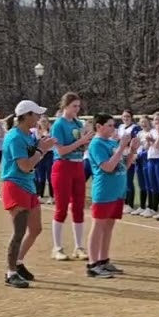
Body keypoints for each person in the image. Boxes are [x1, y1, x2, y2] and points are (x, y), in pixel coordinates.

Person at [1, 100, 57, 289]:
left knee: (35, 229)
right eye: (36, 114)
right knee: (19, 232)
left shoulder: (27, 135)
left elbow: (34, 153)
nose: (39, 118)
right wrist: (42, 149)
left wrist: (42, 145)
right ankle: (10, 273)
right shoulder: (15, 137)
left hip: (27, 186)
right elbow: (25, 165)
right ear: (26, 116)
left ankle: (18, 262)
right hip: (15, 185)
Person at [85, 114, 136, 278]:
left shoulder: (112, 143)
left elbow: (123, 166)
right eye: (109, 125)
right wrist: (122, 147)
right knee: (98, 226)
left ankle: (103, 260)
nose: (113, 128)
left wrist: (132, 151)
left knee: (109, 226)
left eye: (114, 125)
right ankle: (92, 264)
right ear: (99, 127)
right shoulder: (97, 144)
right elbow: (107, 167)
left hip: (117, 191)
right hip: (104, 191)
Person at [49, 92, 93, 261]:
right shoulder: (59, 124)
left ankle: (79, 246)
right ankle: (57, 247)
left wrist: (85, 142)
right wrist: (80, 143)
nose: (77, 109)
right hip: (62, 166)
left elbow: (79, 148)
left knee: (78, 207)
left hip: (77, 165)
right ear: (65, 106)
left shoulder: (77, 123)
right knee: (61, 208)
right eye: (74, 106)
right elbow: (60, 150)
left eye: (78, 106)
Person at [118, 109, 142, 211]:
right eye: (124, 116)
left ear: (131, 117)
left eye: (128, 116)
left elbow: (133, 142)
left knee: (128, 180)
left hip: (129, 155)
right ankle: (123, 201)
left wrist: (122, 141)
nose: (126, 118)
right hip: (120, 155)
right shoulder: (120, 127)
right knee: (121, 180)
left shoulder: (135, 128)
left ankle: (130, 204)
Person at [145, 112, 159, 219]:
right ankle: (152, 207)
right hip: (151, 158)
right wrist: (149, 141)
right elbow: (147, 147)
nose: (157, 122)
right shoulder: (151, 131)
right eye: (155, 120)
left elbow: (158, 146)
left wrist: (153, 139)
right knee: (152, 184)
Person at [33, 115, 54, 204]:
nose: (44, 123)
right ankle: (39, 195)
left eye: (45, 121)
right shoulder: (35, 132)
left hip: (49, 154)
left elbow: (52, 142)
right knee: (40, 176)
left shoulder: (51, 132)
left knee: (50, 176)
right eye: (42, 121)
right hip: (40, 154)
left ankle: (51, 196)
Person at [133, 115, 152, 216]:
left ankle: (150, 207)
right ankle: (142, 206)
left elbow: (148, 147)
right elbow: (137, 146)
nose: (143, 124)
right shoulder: (139, 133)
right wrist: (135, 154)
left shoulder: (151, 132)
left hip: (147, 159)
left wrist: (141, 152)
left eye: (145, 122)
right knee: (141, 184)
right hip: (139, 160)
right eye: (141, 122)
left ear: (149, 122)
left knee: (148, 183)